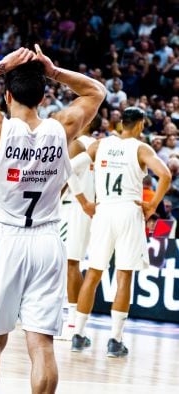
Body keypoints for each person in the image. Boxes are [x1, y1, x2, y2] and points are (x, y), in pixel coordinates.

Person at [0, 45, 105, 393]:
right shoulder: (62, 127)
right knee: (42, 345)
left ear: (7, 94)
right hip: (47, 243)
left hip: (4, 242)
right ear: (44, 96)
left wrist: (1, 65)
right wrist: (54, 70)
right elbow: (96, 91)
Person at [70, 107, 171, 357]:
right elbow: (166, 174)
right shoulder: (141, 148)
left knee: (93, 274)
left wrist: (84, 202)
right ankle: (115, 341)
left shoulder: (100, 145)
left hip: (103, 211)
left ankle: (78, 335)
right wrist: (153, 204)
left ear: (121, 124)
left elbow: (68, 169)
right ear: (139, 125)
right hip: (128, 211)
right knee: (124, 276)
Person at [59, 115, 101, 339]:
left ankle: (73, 324)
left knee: (71, 263)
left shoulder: (78, 143)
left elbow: (66, 174)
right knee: (73, 263)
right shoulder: (96, 146)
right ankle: (74, 321)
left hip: (75, 207)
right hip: (88, 209)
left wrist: (54, 198)